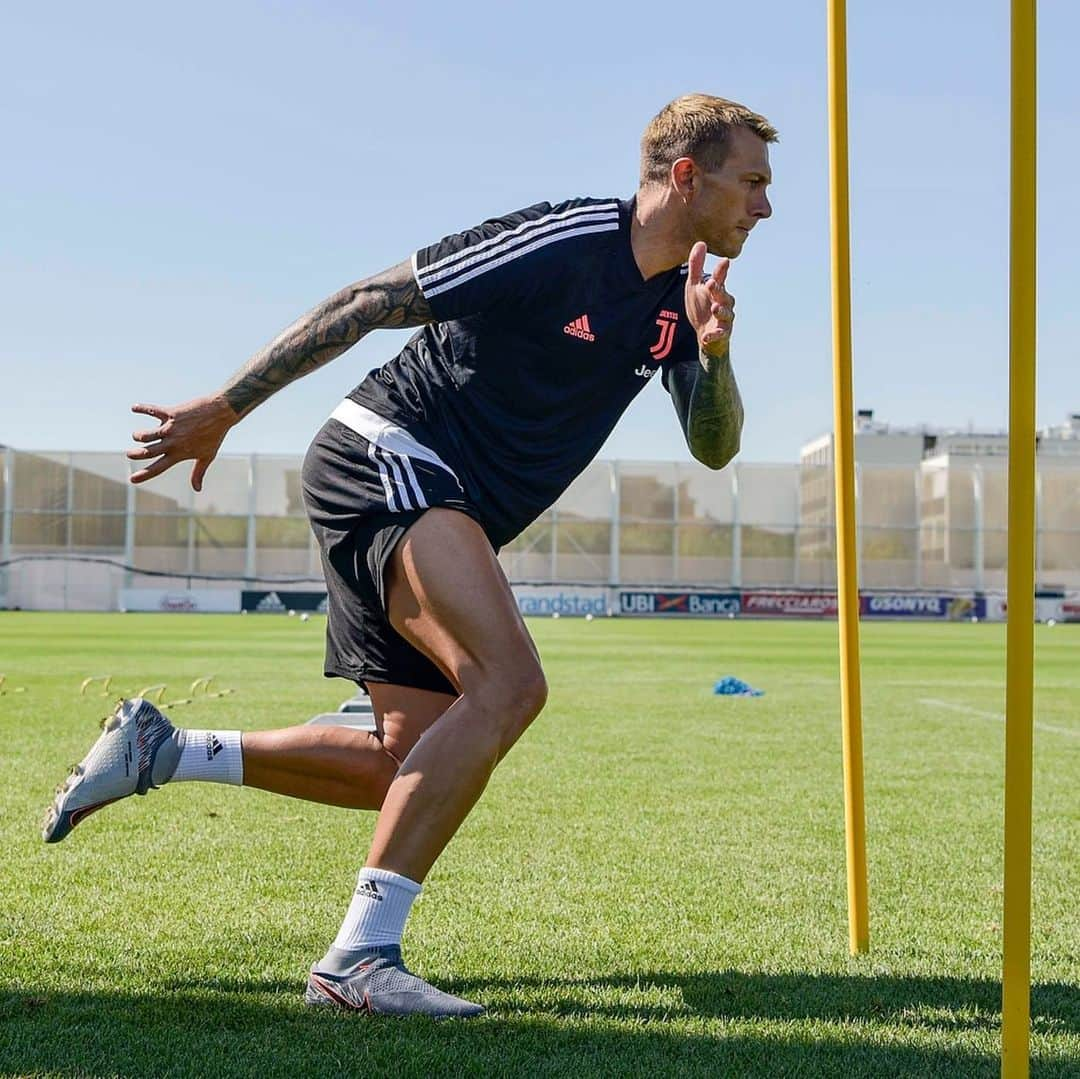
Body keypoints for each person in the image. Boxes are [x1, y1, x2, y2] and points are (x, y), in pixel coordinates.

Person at [43, 93, 776, 1018]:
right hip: (385, 454)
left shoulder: (682, 300)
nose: (763, 206)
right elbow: (370, 301)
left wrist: (714, 352)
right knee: (509, 686)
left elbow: (715, 447)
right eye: (750, 181)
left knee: (405, 761)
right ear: (685, 176)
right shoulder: (563, 240)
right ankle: (359, 959)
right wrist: (225, 407)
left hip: (435, 498)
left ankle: (164, 748)